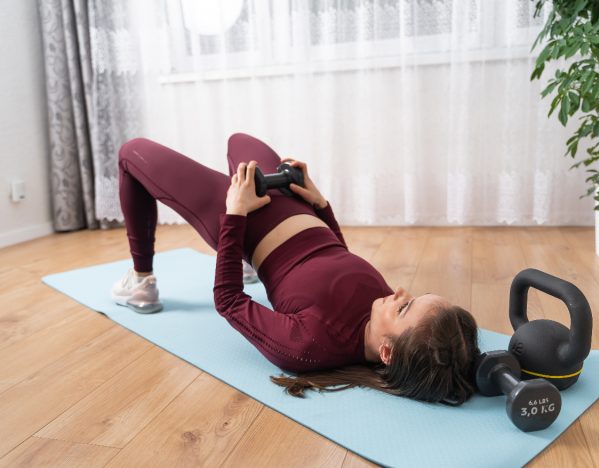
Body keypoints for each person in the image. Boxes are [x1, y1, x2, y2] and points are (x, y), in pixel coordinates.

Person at [111, 133, 481, 404]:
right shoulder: (381, 308)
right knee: (241, 140)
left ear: (386, 352)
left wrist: (236, 212)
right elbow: (338, 256)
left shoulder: (309, 345)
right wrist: (319, 203)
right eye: (413, 297)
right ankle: (253, 239)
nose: (399, 293)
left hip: (243, 219)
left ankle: (141, 280)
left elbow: (228, 301)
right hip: (293, 203)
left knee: (132, 153)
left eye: (405, 307)